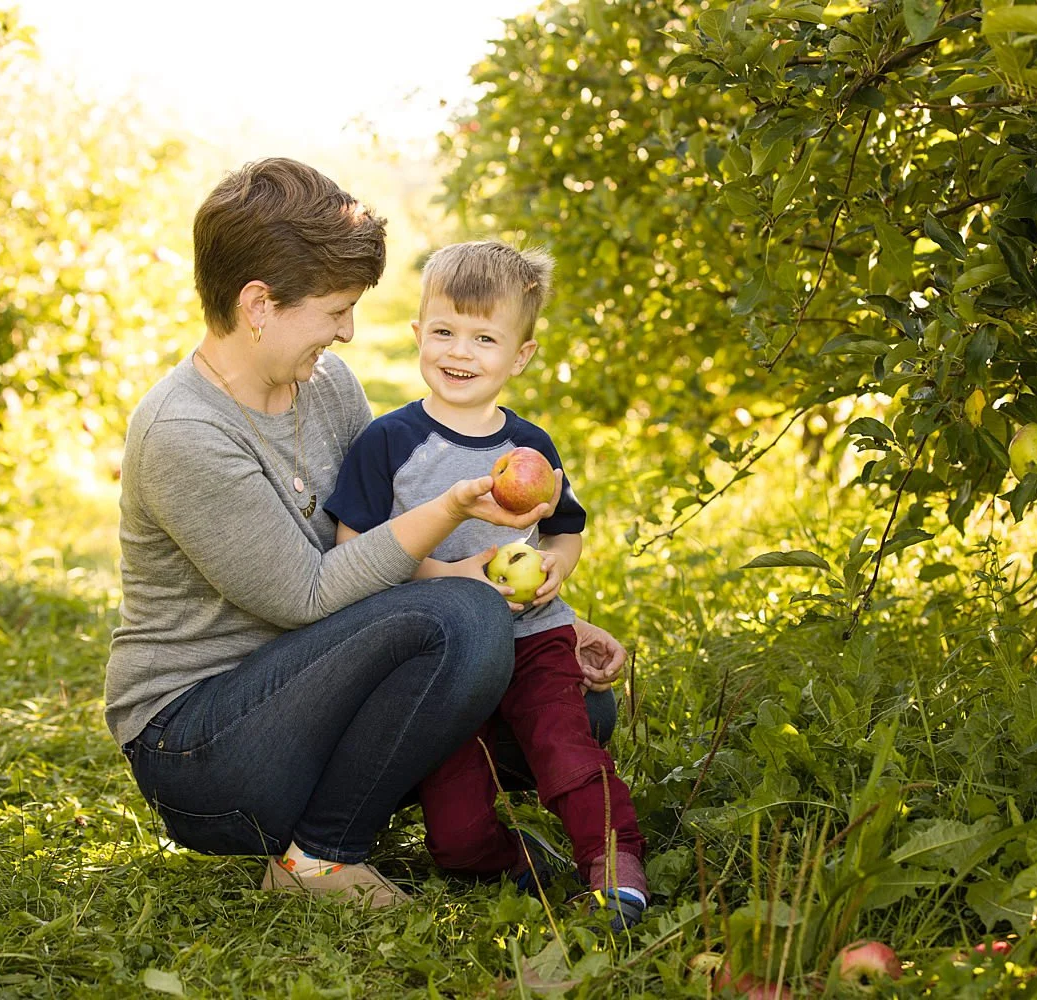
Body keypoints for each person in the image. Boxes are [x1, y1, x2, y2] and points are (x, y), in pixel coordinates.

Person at [103, 158, 626, 909]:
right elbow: (310, 595)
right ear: (259, 304)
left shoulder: (326, 386)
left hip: (323, 690)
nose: (348, 330)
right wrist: (453, 519)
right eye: (335, 309)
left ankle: (358, 815)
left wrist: (544, 619)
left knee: (575, 703)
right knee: (466, 620)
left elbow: (377, 541)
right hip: (206, 743)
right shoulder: (185, 431)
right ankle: (319, 858)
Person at [324, 241, 648, 928]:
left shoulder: (531, 450)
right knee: (456, 825)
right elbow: (357, 551)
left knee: (565, 747)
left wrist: (560, 563)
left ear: (520, 355)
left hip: (531, 636)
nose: (459, 352)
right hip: (436, 659)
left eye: (484, 337)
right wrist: (449, 576)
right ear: (417, 334)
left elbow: (564, 529)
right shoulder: (389, 443)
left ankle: (614, 864)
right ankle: (510, 861)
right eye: (443, 331)